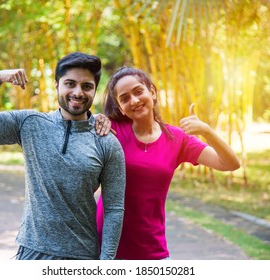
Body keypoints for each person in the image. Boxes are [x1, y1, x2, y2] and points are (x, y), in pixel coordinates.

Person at [0, 52, 126, 260]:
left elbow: (114, 210)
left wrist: (106, 264)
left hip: (80, 256)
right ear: (56, 85)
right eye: (70, 84)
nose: (78, 92)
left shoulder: (106, 142)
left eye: (86, 86)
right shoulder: (30, 123)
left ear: (95, 90)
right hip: (31, 253)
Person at [96, 66, 240, 260]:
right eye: (125, 98)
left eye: (139, 91)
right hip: (106, 247)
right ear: (120, 107)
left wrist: (207, 131)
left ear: (152, 92)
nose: (135, 101)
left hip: (151, 247)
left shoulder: (176, 138)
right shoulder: (112, 132)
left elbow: (229, 163)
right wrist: (94, 120)